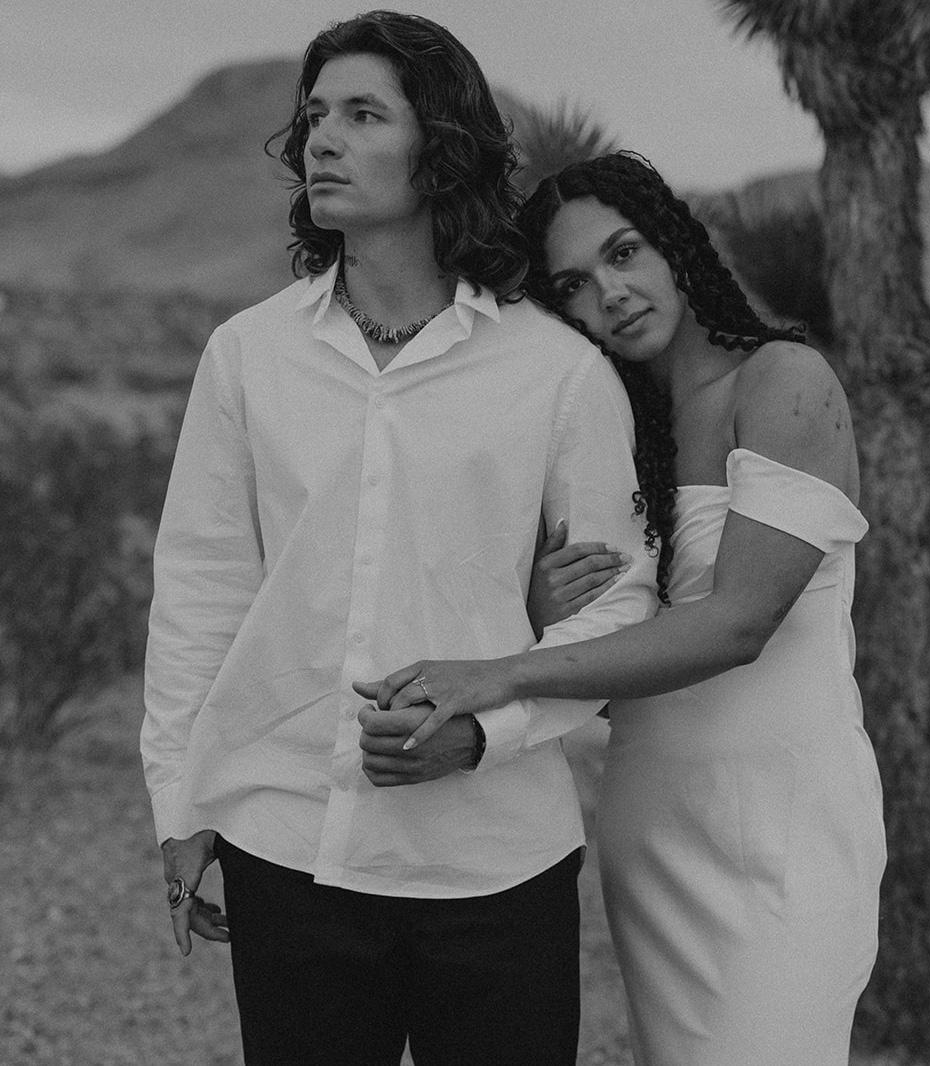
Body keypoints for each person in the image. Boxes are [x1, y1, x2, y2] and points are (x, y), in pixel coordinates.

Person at [140, 18, 659, 1065]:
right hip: (288, 842)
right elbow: (203, 584)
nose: (322, 139)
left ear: (442, 148)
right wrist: (179, 801)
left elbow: (618, 603)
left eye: (364, 114)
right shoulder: (248, 355)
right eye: (314, 116)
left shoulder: (555, 372)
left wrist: (486, 732)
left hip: (494, 862)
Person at [355, 152, 887, 1066]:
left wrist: (504, 672)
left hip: (787, 825)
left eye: (625, 252)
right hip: (654, 821)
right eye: (573, 284)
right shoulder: (620, 430)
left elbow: (738, 625)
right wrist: (539, 612)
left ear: (675, 244)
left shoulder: (783, 382)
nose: (611, 292)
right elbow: (610, 653)